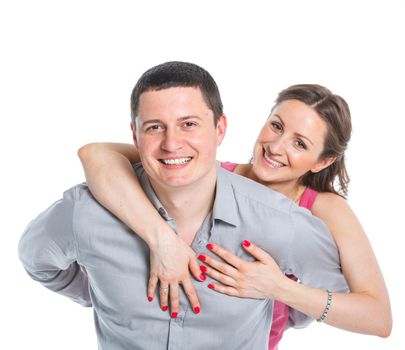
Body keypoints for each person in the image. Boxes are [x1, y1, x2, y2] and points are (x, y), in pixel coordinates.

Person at [19, 61, 348, 350]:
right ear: (134, 136)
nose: (171, 143)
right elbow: (38, 260)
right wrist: (101, 295)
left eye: (189, 124)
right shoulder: (86, 213)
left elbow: (346, 298)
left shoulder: (283, 220)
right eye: (154, 127)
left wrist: (282, 293)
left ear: (220, 129)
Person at [78, 83, 392, 348]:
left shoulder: (323, 209)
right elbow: (96, 154)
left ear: (322, 162)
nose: (276, 146)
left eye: (299, 143)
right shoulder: (205, 173)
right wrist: (161, 244)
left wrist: (278, 288)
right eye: (277, 126)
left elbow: (378, 318)